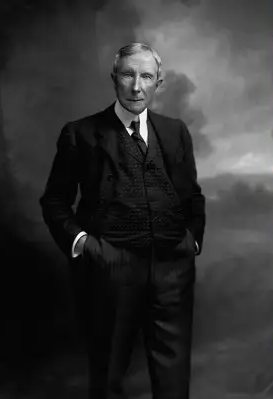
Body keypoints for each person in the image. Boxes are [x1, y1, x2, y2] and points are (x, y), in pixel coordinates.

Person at [40, 43, 206, 399]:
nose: (136, 86)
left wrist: (190, 242)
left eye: (146, 76)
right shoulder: (80, 133)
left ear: (158, 83)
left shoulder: (176, 132)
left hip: (172, 269)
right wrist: (86, 246)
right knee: (108, 374)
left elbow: (192, 196)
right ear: (114, 78)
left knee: (174, 380)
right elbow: (55, 201)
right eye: (128, 75)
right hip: (109, 268)